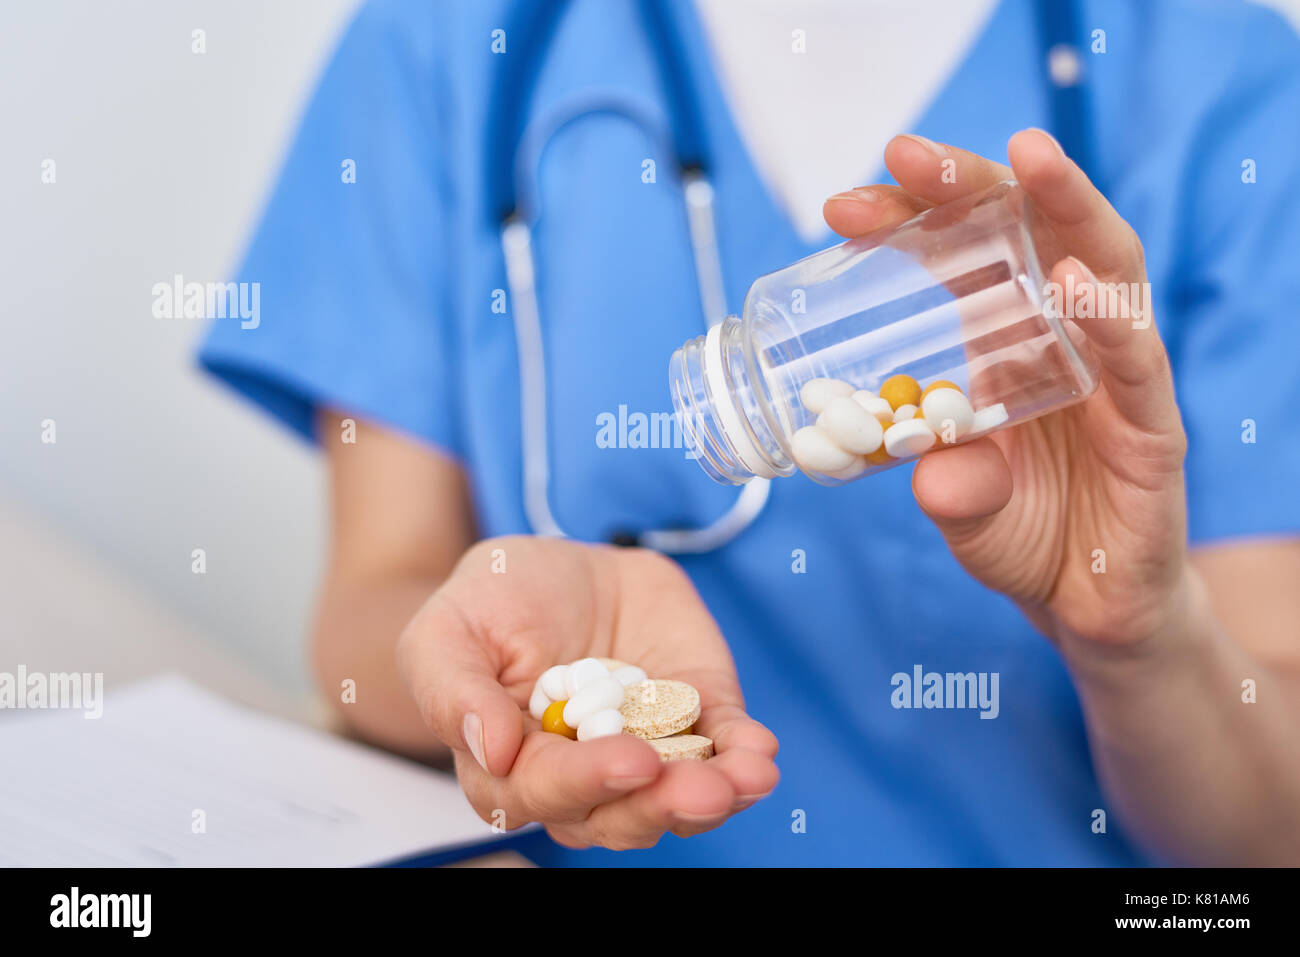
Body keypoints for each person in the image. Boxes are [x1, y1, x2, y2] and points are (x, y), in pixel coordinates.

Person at [199, 0, 1300, 865]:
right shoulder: (454, 37)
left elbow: (1269, 834)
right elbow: (363, 620)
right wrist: (520, 691)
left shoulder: (1237, 91)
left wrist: (1136, 640)